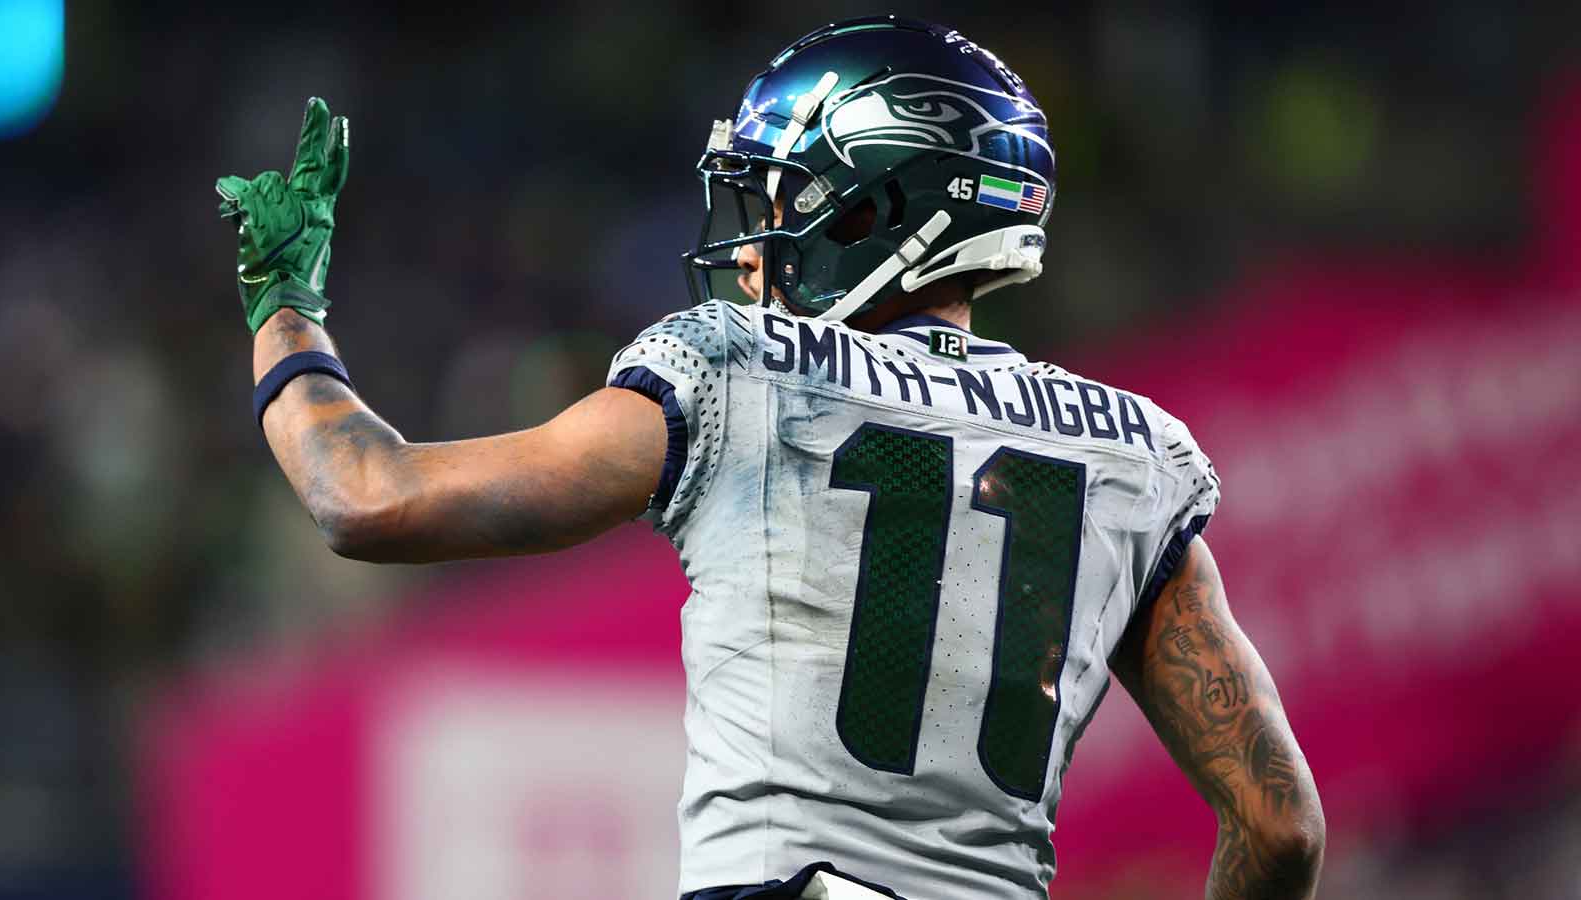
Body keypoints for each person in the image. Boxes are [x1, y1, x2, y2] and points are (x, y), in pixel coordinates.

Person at [216, 16, 1324, 900]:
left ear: (877, 206)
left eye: (784, 200)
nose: (752, 249)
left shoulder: (741, 370)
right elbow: (1280, 826)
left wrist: (283, 305)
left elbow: (364, 496)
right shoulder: (1132, 452)